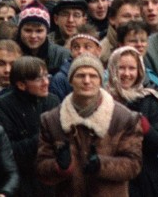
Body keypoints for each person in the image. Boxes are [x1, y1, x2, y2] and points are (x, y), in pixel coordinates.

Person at [37, 54, 143, 197]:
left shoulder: (124, 118)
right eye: (80, 75)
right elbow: (41, 166)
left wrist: (101, 165)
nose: (87, 81)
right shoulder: (52, 120)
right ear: (70, 80)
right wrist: (60, 167)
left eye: (93, 76)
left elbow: (133, 164)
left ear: (100, 80)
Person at [103, 47, 158, 197]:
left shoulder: (150, 100)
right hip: (109, 176)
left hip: (145, 179)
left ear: (140, 71)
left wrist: (143, 125)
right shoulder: (102, 100)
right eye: (121, 68)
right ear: (113, 69)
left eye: (132, 68)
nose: (127, 74)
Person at [0, 56, 59, 197]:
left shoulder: (53, 101)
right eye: (38, 79)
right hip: (19, 185)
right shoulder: (1, 108)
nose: (46, 82)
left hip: (49, 182)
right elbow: (3, 152)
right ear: (21, 85)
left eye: (46, 76)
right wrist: (42, 139)